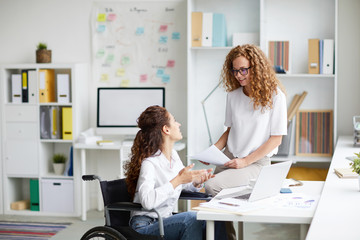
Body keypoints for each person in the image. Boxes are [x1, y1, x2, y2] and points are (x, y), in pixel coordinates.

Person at [203, 44, 287, 239]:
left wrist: (245, 161)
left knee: (211, 187)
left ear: (256, 68)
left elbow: (276, 139)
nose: (239, 75)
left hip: (256, 163)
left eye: (243, 70)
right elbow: (230, 131)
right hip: (230, 158)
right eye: (235, 70)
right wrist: (212, 151)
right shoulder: (233, 97)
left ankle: (228, 237)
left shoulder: (275, 96)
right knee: (213, 201)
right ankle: (223, 237)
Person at [124, 105, 226, 240]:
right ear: (166, 129)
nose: (179, 124)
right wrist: (178, 180)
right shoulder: (149, 163)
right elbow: (147, 201)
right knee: (190, 218)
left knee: (215, 216)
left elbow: (181, 185)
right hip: (145, 225)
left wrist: (196, 181)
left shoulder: (173, 155)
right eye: (174, 121)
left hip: (164, 220)